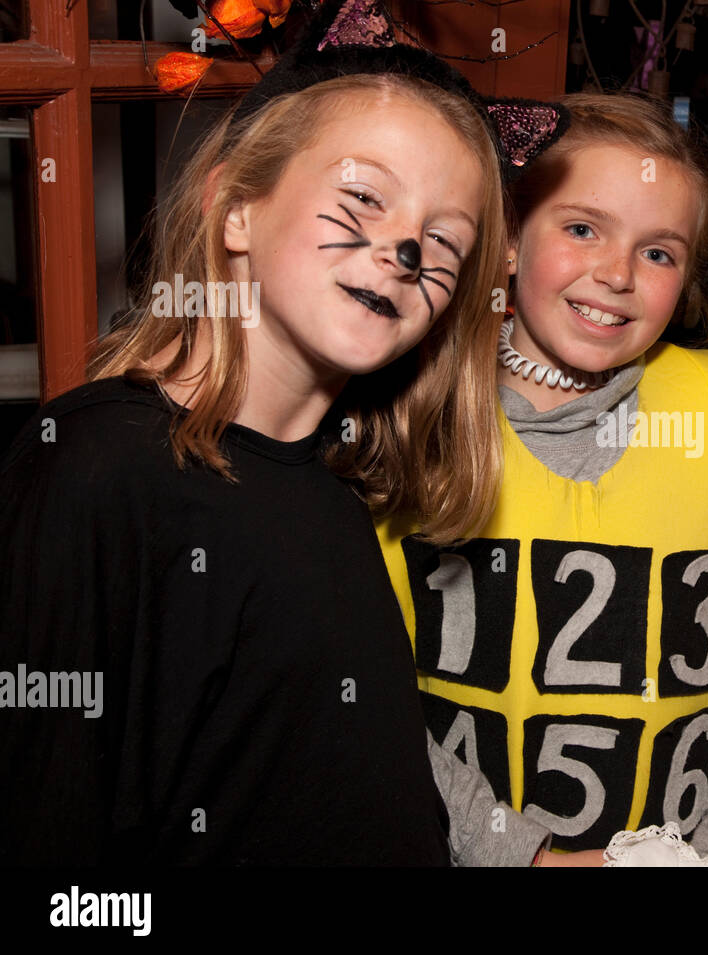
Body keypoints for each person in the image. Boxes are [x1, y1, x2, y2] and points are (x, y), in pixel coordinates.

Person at [0, 1, 565, 865]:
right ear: (234, 207)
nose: (404, 250)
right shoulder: (100, 472)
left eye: (445, 242)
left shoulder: (336, 486)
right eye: (364, 197)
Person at [377, 93, 708, 866]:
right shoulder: (415, 415)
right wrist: (522, 857)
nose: (617, 274)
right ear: (506, 240)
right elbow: (371, 687)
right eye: (581, 229)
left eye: (659, 252)